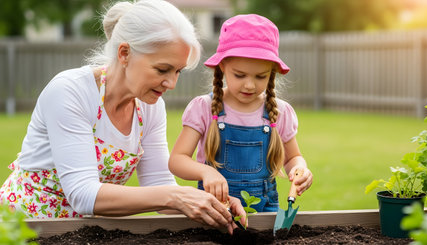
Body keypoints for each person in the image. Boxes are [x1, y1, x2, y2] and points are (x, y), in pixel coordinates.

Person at [0, 0, 245, 233]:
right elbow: (83, 194)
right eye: (162, 69)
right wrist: (177, 197)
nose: (171, 83)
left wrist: (210, 204)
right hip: (23, 228)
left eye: (178, 71)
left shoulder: (149, 106)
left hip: (79, 233)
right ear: (125, 53)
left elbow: (159, 184)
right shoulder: (70, 92)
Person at [169, 14, 313, 212]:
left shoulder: (280, 112)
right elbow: (177, 160)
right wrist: (206, 172)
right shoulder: (204, 107)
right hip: (214, 209)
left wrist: (299, 169)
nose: (249, 85)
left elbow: (292, 158)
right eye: (239, 75)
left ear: (271, 72)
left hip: (265, 211)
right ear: (222, 66)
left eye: (260, 76)